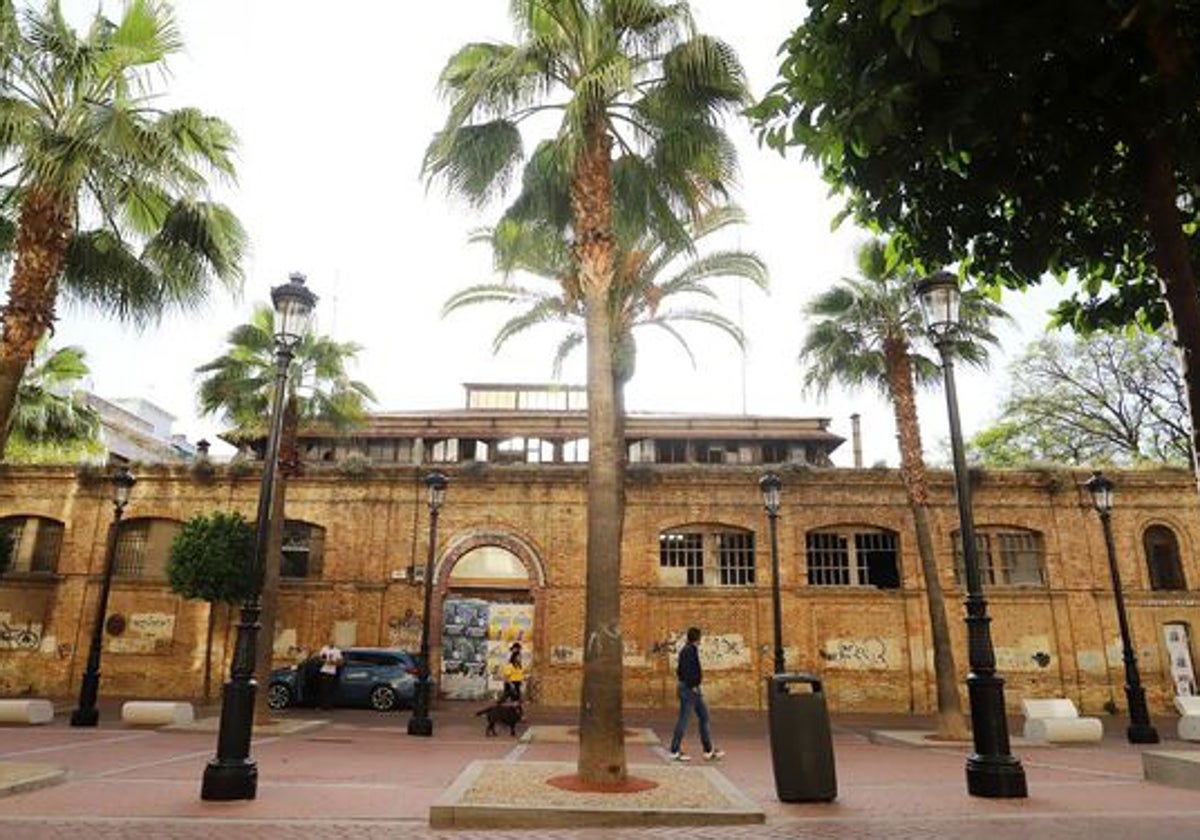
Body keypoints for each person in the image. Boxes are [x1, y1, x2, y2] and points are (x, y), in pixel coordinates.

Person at [668, 626, 724, 761]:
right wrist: (692, 685)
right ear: (698, 638)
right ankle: (675, 750)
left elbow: (679, 671)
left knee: (704, 717)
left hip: (691, 688)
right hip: (690, 689)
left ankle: (708, 750)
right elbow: (687, 671)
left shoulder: (687, 650)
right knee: (684, 719)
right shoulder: (689, 651)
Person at [316, 641, 343, 710]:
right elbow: (319, 658)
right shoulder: (324, 649)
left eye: (333, 641)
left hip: (332, 672)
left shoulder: (337, 651)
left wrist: (334, 662)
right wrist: (325, 661)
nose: (331, 642)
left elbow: (340, 662)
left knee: (329, 689)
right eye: (330, 641)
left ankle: (328, 706)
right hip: (324, 671)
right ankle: (321, 706)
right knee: (323, 689)